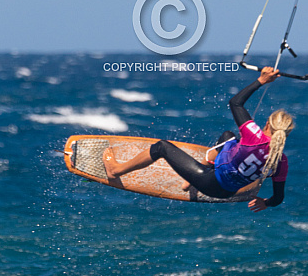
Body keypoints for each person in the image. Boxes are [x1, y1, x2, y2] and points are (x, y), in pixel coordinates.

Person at [102, 66, 294, 212]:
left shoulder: (254, 135)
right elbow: (278, 198)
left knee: (162, 147)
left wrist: (261, 80)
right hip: (228, 193)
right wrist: (265, 203)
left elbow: (235, 102)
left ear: (268, 124)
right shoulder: (281, 161)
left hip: (209, 182)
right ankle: (189, 181)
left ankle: (115, 170)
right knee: (228, 137)